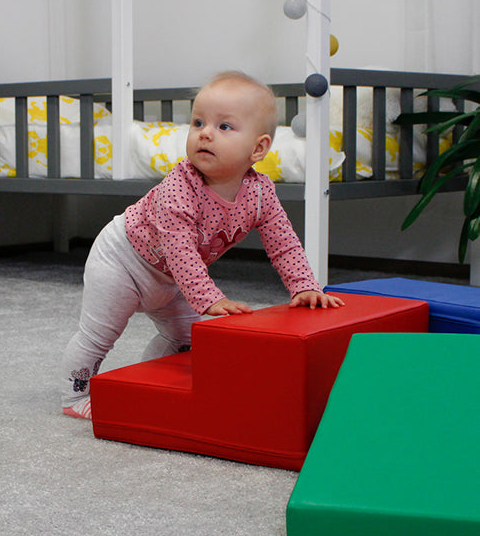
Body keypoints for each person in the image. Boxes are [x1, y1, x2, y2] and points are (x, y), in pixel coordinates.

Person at [61, 71, 344, 419]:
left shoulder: (260, 194)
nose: (205, 132)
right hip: (123, 261)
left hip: (171, 278)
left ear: (259, 148)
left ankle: (148, 381)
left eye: (224, 127)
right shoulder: (180, 185)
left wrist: (304, 286)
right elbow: (180, 250)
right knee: (99, 337)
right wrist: (210, 299)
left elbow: (284, 244)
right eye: (198, 122)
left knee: (186, 338)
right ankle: (75, 396)